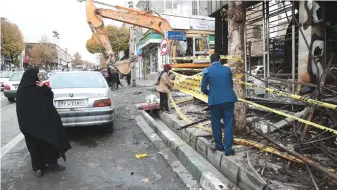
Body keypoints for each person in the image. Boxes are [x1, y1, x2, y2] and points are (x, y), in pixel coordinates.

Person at [16, 68, 71, 177]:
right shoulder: (22, 91)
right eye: (38, 75)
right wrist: (25, 127)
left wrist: (45, 87)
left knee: (50, 143)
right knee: (35, 146)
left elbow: (49, 99)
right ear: (31, 77)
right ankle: (38, 167)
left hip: (45, 123)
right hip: (31, 126)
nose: (40, 77)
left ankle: (53, 163)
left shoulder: (40, 88)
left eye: (40, 75)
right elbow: (21, 111)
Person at [201, 53, 238, 156]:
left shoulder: (207, 71)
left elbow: (203, 89)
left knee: (216, 124)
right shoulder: (227, 70)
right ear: (220, 60)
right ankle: (228, 150)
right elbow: (230, 84)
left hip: (215, 102)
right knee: (228, 125)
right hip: (228, 100)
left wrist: (211, 94)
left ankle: (219, 146)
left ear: (210, 61)